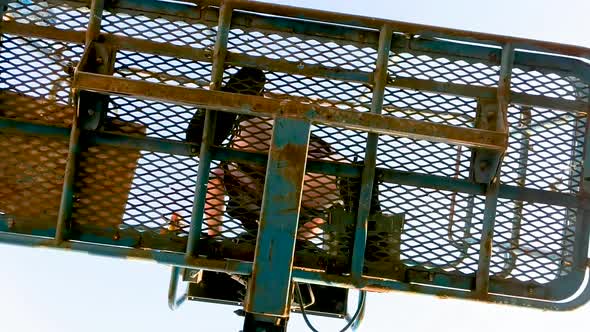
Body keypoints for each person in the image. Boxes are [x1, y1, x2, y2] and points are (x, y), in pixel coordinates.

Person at [185, 67, 380, 243]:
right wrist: (213, 234)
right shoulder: (258, 221)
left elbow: (216, 180)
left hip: (273, 166)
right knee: (333, 178)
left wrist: (213, 236)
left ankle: (244, 107)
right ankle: (246, 108)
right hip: (301, 167)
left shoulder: (255, 218)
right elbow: (215, 181)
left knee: (333, 181)